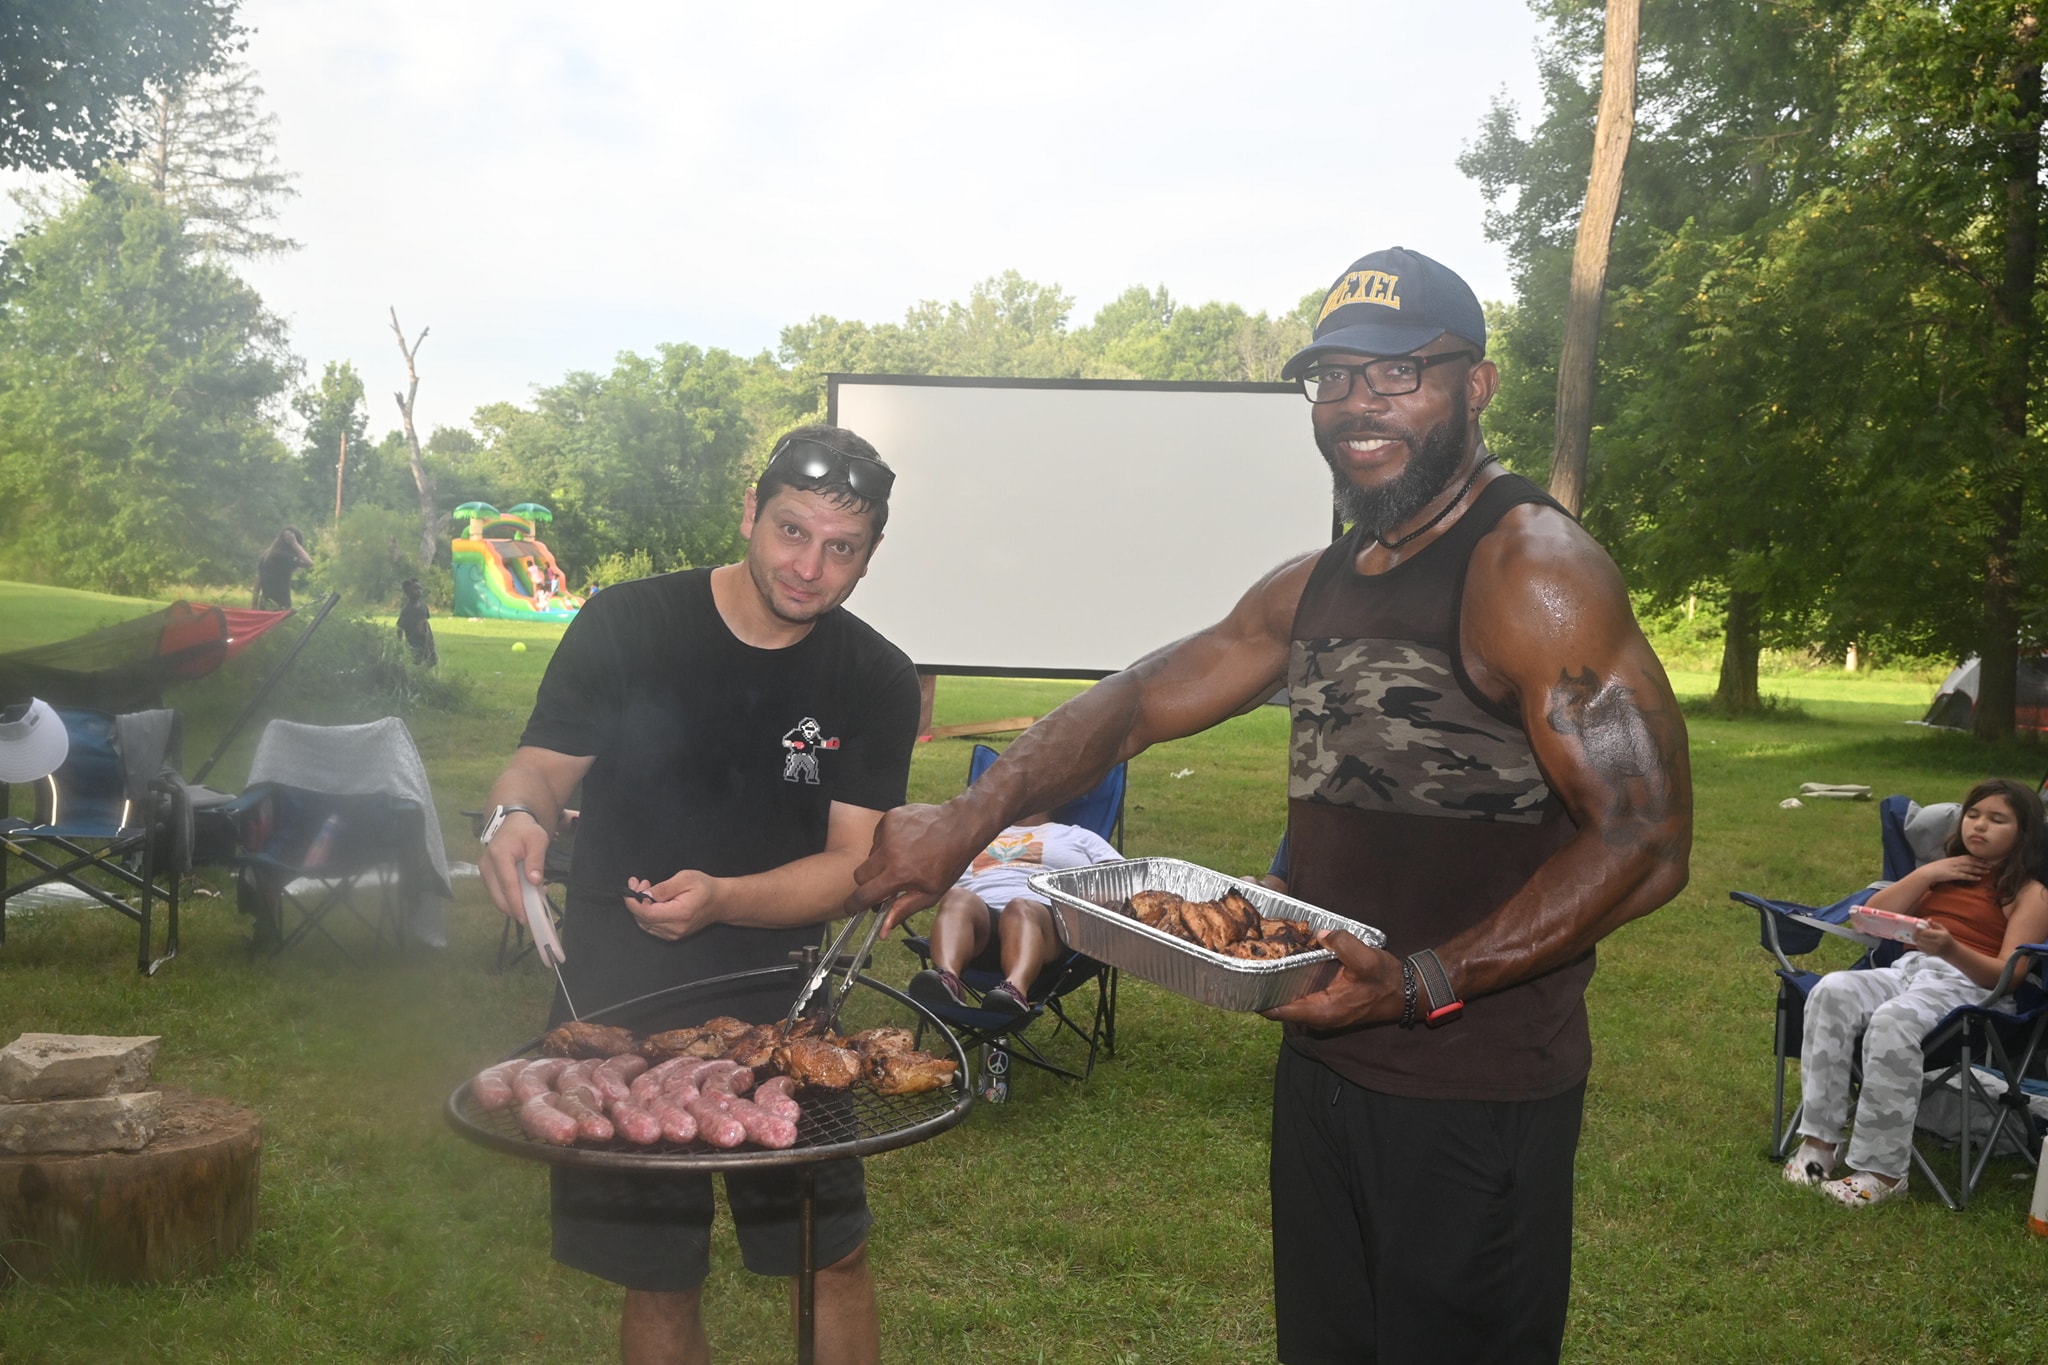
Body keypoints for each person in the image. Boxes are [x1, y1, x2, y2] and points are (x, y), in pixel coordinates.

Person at [850, 246, 1692, 1363]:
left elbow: (1645, 838)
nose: (1356, 406)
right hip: (1323, 1061)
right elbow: (1139, 700)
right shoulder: (1321, 582)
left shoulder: (1531, 572)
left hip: (1471, 1087)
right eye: (1332, 378)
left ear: (1474, 385)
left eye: (1397, 375)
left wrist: (1422, 984)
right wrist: (968, 816)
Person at [477, 424, 918, 1365]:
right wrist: (513, 817)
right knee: (660, 1271)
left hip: (785, 1002)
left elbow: (856, 862)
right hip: (618, 993)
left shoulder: (873, 674)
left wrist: (723, 897)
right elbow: (541, 768)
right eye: (792, 531)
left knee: (827, 1257)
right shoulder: (629, 622)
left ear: (869, 556)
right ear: (750, 513)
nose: (810, 566)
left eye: (842, 548)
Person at [1783, 778, 2048, 1208]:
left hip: (1969, 989)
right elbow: (1867, 921)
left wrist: (1951, 948)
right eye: (1974, 816)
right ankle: (1819, 1145)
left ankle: (1882, 1172)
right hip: (1909, 970)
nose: (1978, 826)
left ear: (2024, 833)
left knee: (1893, 1020)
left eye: (1997, 820)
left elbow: (2008, 976)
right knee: (1832, 989)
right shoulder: (1943, 874)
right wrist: (1928, 873)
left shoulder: (2030, 893)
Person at [906, 812, 1121, 1018]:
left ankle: (1014, 991)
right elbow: (931, 878)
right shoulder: (976, 838)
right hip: (980, 935)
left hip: (1045, 928)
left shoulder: (1078, 836)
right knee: (957, 898)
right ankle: (947, 978)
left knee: (1019, 908)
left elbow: (1120, 876)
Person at [253, 525, 313, 610]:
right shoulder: (284, 557)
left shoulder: (266, 556)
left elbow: (258, 581)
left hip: (265, 605)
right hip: (280, 606)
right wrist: (295, 543)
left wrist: (254, 605)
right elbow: (309, 562)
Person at [396, 577, 437, 666]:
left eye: (420, 588)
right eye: (415, 589)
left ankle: (425, 677)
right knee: (416, 662)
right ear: (407, 592)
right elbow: (399, 627)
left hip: (427, 641)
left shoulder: (424, 606)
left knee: (432, 661)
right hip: (414, 643)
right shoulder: (406, 610)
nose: (419, 591)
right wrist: (399, 644)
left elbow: (426, 621)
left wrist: (429, 637)